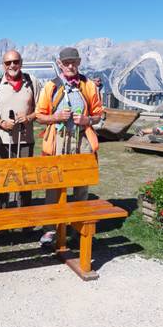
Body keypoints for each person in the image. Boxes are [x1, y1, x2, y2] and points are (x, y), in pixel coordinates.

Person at [36, 47, 103, 245]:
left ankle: (79, 226)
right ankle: (51, 228)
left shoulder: (89, 85)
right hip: (57, 139)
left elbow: (99, 114)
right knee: (54, 185)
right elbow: (39, 116)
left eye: (73, 61)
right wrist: (55, 117)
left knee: (82, 185)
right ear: (60, 64)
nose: (70, 66)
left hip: (82, 140)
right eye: (66, 63)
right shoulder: (51, 86)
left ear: (79, 62)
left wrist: (86, 119)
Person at [0, 50, 41, 208]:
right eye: (8, 63)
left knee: (24, 183)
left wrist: (28, 118)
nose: (12, 65)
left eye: (15, 61)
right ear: (3, 65)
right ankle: (2, 222)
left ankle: (25, 223)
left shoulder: (32, 81)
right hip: (0, 142)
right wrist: (2, 123)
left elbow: (41, 110)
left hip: (25, 141)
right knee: (1, 183)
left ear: (21, 62)